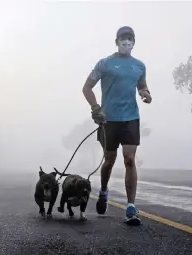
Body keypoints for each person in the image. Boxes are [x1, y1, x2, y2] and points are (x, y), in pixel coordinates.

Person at [81, 26, 152, 226]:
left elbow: (142, 84)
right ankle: (104, 191)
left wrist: (145, 93)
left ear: (134, 42)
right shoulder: (105, 64)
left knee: (129, 159)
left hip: (131, 118)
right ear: (116, 41)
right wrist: (96, 108)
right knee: (109, 161)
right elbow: (87, 87)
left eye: (130, 39)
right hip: (108, 120)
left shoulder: (139, 66)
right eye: (123, 39)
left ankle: (131, 207)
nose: (126, 42)